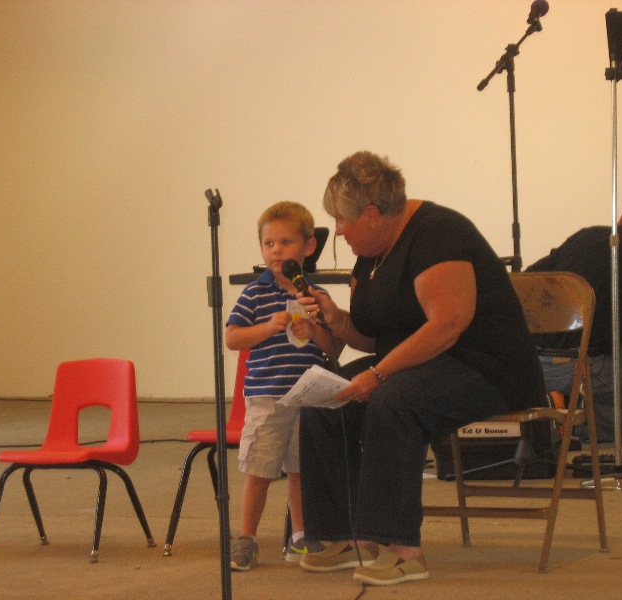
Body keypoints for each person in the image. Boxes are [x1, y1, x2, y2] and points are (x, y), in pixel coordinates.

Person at [294, 151, 547, 586]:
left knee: (394, 401)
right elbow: (375, 337)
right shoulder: (371, 250)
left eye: (341, 219)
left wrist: (377, 375)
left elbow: (448, 326)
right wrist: (338, 322)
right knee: (326, 400)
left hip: (485, 367)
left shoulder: (439, 234)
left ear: (372, 214)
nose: (337, 230)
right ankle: (348, 538)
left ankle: (404, 552)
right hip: (423, 363)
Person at [225, 201, 343, 571]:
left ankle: (300, 538)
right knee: (260, 469)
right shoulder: (254, 293)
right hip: (267, 398)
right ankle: (247, 537)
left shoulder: (314, 294)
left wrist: (315, 331)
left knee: (300, 470)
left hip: (307, 398)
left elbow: (333, 347)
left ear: (308, 247)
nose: (276, 251)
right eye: (269, 243)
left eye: (286, 242)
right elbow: (233, 337)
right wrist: (267, 328)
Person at [526, 195, 622, 444]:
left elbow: (529, 279)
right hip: (583, 367)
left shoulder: (585, 236)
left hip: (535, 362)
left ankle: (563, 404)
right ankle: (568, 421)